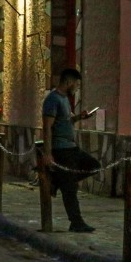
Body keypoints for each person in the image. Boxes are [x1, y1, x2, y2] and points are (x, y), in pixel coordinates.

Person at [41, 68, 100, 233]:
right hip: (60, 149)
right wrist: (48, 153)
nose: (77, 87)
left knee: (93, 165)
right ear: (68, 82)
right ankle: (76, 222)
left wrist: (79, 117)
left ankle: (58, 181)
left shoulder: (65, 99)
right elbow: (47, 127)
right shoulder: (52, 100)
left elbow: (65, 121)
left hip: (71, 147)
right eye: (77, 84)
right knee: (70, 188)